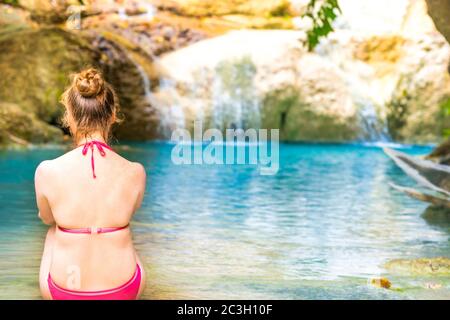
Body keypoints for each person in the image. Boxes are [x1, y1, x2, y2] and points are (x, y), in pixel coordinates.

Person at [35, 68, 146, 300]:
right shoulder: (136, 171)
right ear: (113, 114)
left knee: (53, 231)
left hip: (64, 292)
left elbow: (47, 218)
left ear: (70, 117)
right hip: (125, 290)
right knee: (120, 225)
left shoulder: (46, 170)